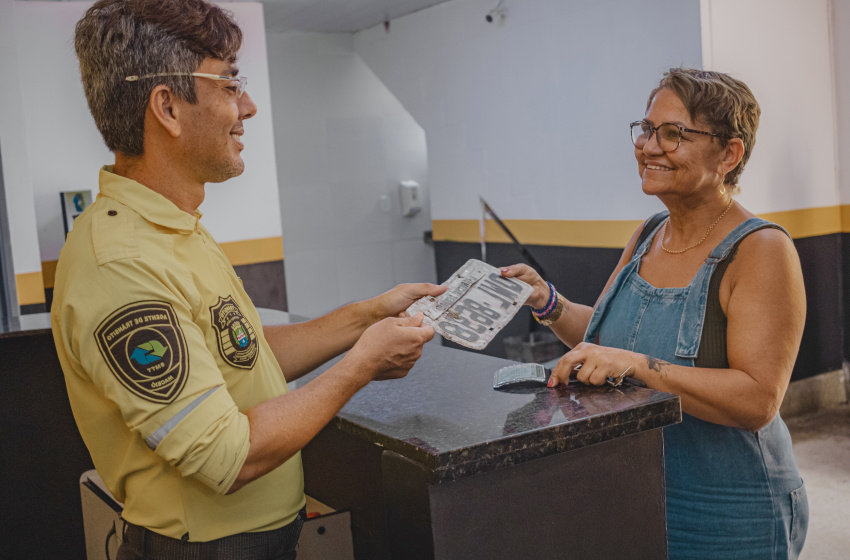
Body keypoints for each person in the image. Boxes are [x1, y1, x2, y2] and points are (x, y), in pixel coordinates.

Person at [51, 1, 445, 558]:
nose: (249, 106)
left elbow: (244, 358)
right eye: (229, 83)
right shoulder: (122, 263)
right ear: (167, 106)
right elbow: (225, 456)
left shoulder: (172, 226)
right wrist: (360, 368)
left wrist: (366, 317)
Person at [501, 68, 808, 559]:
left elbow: (757, 400)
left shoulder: (760, 249)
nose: (648, 147)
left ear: (729, 154)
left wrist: (642, 368)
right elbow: (603, 340)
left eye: (673, 134)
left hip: (729, 509)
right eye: (646, 130)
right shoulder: (648, 233)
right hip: (641, 490)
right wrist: (547, 301)